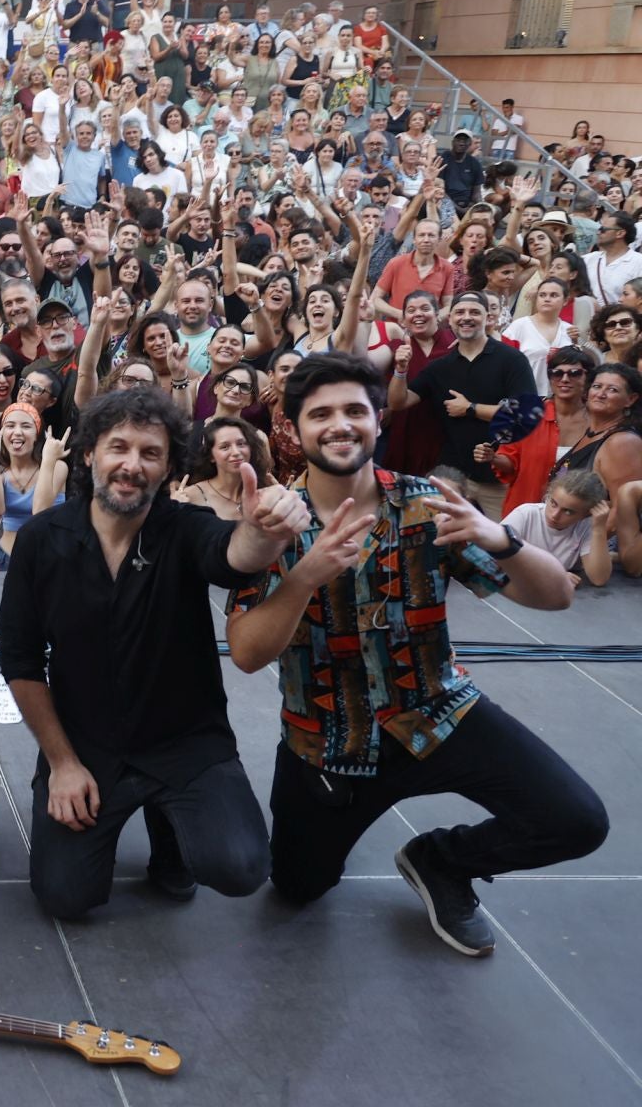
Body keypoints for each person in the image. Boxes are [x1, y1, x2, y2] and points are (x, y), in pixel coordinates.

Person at [226, 354, 603, 956]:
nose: (339, 424)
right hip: (329, 741)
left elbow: (557, 596)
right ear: (292, 431)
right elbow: (246, 653)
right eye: (320, 413)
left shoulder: (428, 503)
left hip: (439, 713)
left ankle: (440, 859)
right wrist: (304, 576)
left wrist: (497, 538)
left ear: (379, 420)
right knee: (298, 887)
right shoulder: (274, 523)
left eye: (355, 410)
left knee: (577, 820)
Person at [0, 385, 309, 919]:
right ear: (91, 452)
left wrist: (263, 533)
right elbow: (22, 660)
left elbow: (232, 556)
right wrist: (61, 762)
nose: (132, 465)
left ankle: (173, 841)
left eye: (150, 454)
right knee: (63, 896)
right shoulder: (42, 540)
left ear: (168, 469)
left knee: (238, 868)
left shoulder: (185, 528)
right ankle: (111, 804)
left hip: (184, 742)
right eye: (119, 448)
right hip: (86, 744)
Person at [388, 291, 537, 520]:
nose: (466, 317)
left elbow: (526, 414)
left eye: (474, 312)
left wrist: (470, 408)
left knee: (500, 543)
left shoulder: (511, 359)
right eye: (459, 312)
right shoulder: (440, 367)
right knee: (445, 544)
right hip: (453, 476)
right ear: (450, 319)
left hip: (495, 477)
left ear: (488, 317)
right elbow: (399, 402)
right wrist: (400, 369)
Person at [501, 469, 613, 589]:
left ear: (586, 514)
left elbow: (599, 578)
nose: (555, 515)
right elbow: (491, 556)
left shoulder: (587, 526)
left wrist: (599, 529)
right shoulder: (526, 514)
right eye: (553, 503)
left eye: (568, 511)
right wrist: (550, 574)